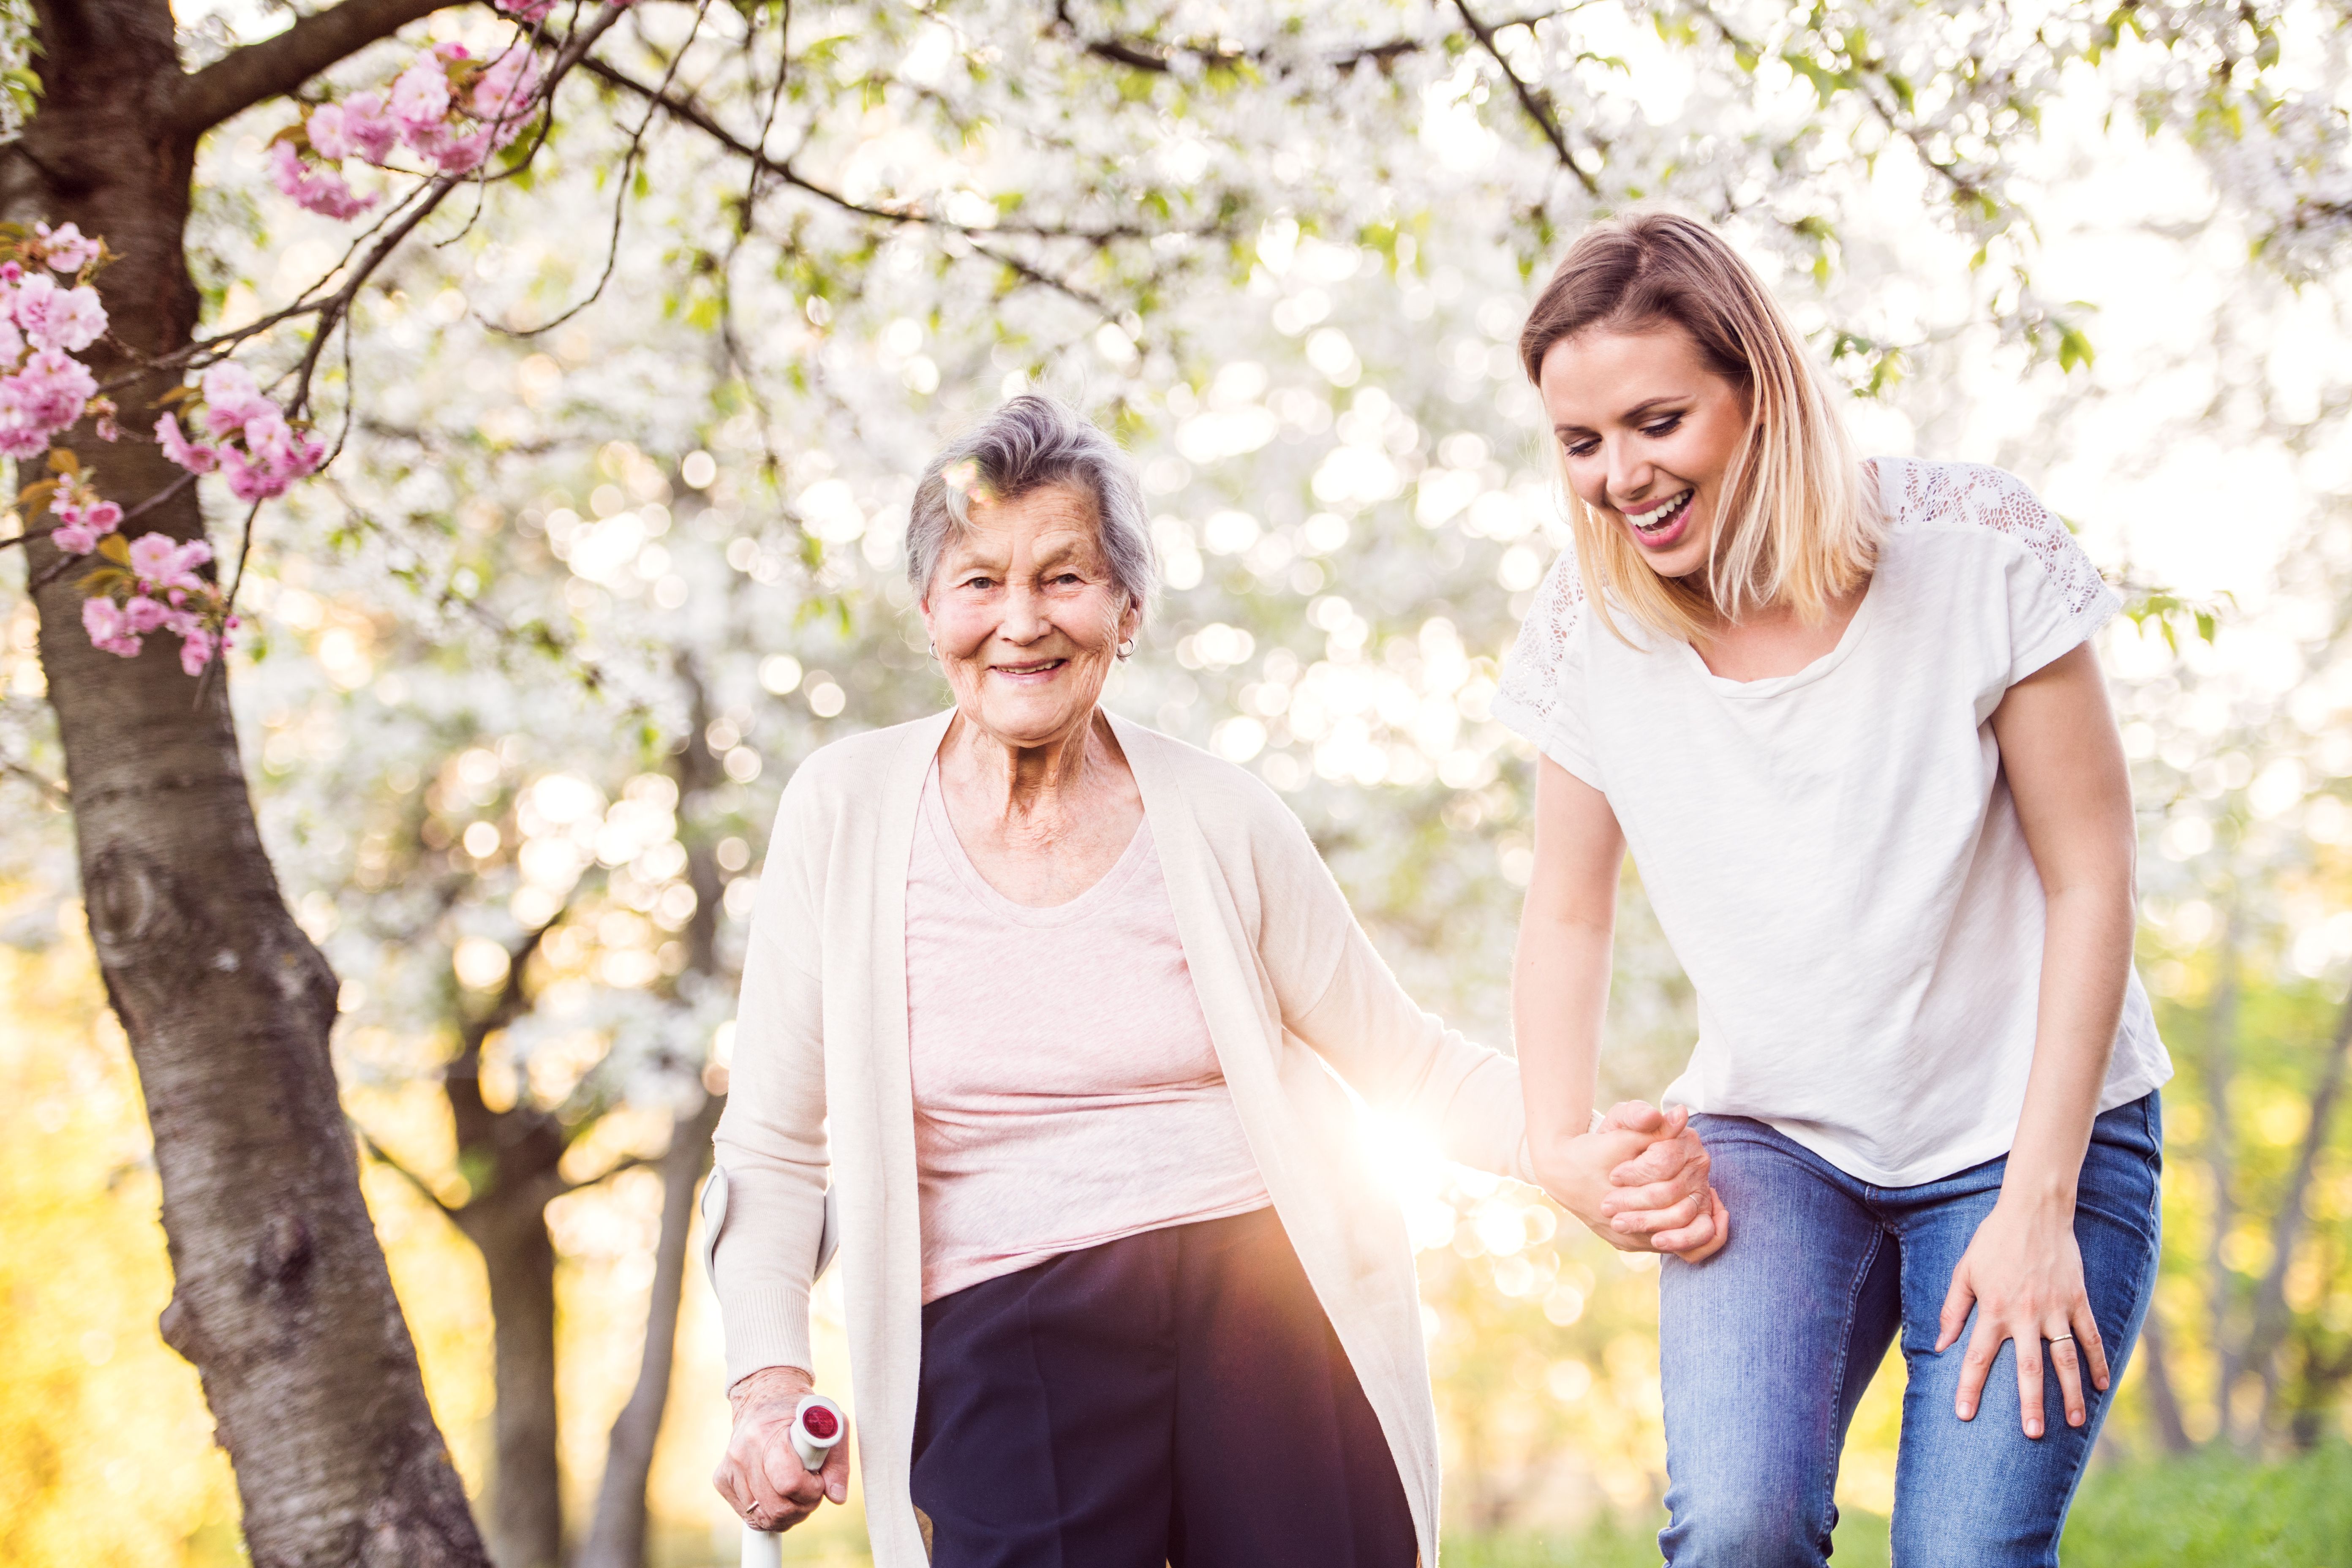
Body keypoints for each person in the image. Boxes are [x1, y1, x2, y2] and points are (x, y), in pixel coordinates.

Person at [703, 394, 1718, 1568]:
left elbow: (1408, 1061)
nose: (1022, 622)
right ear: (930, 608)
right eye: (981, 582)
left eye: (1067, 578)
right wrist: (766, 1384)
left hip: (1266, 1293)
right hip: (1001, 1318)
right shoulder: (845, 812)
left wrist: (1570, 1149)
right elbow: (775, 1147)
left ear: (1127, 611)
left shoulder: (1222, 816)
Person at [1494, 214, 2173, 1567]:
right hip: (1778, 1141)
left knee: (1965, 1555)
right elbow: (1567, 911)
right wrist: (1556, 1146)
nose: (1621, 476)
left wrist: (2036, 1205)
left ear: (1759, 387)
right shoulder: (1588, 628)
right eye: (1582, 443)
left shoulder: (1973, 550)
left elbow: (2092, 877)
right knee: (1738, 1529)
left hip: (2028, 1133)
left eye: (1658, 421)